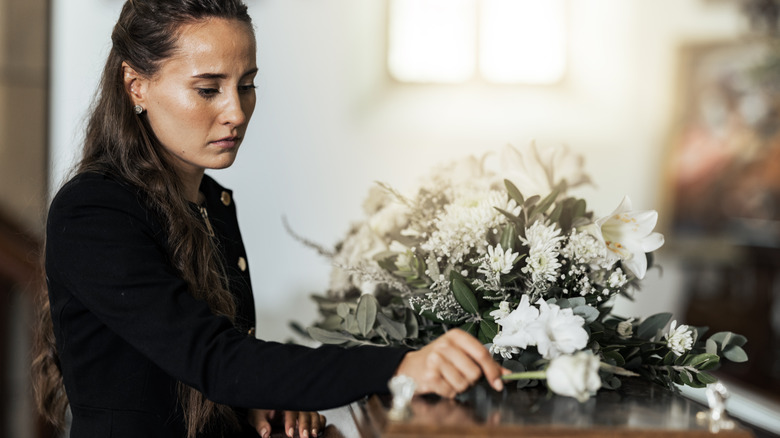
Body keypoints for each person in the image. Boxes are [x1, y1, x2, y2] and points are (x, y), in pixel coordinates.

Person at [32, 1, 507, 437]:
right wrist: (398, 365)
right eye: (207, 89)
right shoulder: (93, 210)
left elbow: (205, 370)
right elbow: (213, 360)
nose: (236, 112)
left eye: (246, 85)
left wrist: (257, 399)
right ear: (136, 85)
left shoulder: (207, 202)